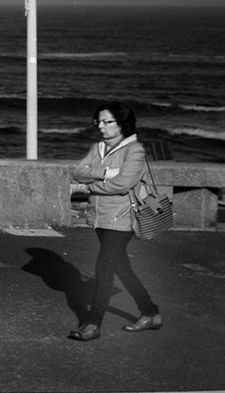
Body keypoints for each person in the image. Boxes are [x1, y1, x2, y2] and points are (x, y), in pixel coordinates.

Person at [66, 102, 163, 340]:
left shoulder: (135, 150)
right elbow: (77, 171)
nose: (100, 126)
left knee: (104, 267)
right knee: (122, 268)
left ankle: (93, 323)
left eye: (107, 122)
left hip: (123, 217)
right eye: (98, 121)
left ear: (122, 124)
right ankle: (150, 313)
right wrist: (104, 173)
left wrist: (90, 185)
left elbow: (124, 183)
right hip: (100, 217)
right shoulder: (97, 148)